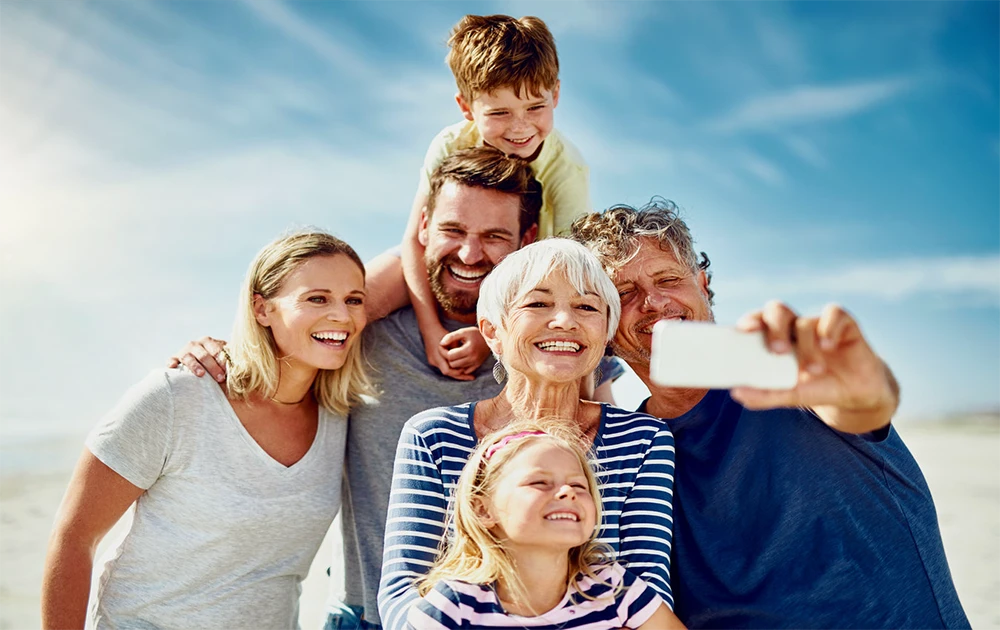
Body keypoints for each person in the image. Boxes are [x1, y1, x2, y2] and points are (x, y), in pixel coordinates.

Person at [171, 148, 609, 630]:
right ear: (422, 228)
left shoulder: (557, 350)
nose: (469, 254)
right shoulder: (365, 334)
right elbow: (287, 334)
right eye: (452, 231)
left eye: (494, 236)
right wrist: (219, 350)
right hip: (366, 616)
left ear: (527, 239)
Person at [570, 200, 971, 629]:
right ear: (606, 322)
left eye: (669, 279)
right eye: (624, 293)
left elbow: (864, 404)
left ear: (702, 285)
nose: (652, 301)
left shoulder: (791, 380)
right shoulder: (626, 448)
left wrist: (859, 383)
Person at [42, 231, 376, 629]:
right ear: (262, 309)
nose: (342, 315)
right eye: (317, 298)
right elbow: (74, 537)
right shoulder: (177, 397)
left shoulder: (341, 417)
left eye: (354, 299)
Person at [378, 239, 678, 630]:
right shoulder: (432, 435)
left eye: (586, 307)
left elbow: (648, 590)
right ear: (492, 330)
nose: (565, 321)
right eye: (538, 304)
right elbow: (403, 592)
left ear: (605, 334)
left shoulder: (645, 439)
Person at [364, 14, 603, 389]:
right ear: (466, 107)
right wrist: (430, 330)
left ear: (555, 94)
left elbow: (568, 267)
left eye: (535, 108)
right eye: (499, 113)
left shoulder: (566, 166)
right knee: (363, 294)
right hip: (446, 243)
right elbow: (414, 238)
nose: (520, 127)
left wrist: (490, 335)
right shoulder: (448, 144)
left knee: (579, 339)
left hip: (529, 263)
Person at [407, 422, 682, 630]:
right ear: (482, 509)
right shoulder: (454, 604)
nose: (567, 492)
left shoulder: (613, 587)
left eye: (578, 485)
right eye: (540, 482)